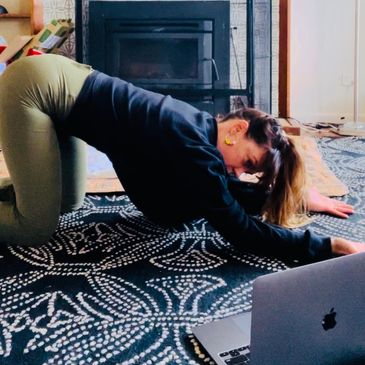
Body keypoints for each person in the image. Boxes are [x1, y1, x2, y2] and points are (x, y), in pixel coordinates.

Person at [0, 54, 363, 262]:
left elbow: (220, 192)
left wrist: (291, 196)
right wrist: (326, 245)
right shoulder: (194, 146)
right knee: (34, 227)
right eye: (248, 164)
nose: (238, 173)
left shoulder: (201, 131)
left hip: (66, 97)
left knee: (68, 200)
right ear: (236, 130)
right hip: (35, 88)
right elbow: (237, 228)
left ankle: (24, 181)